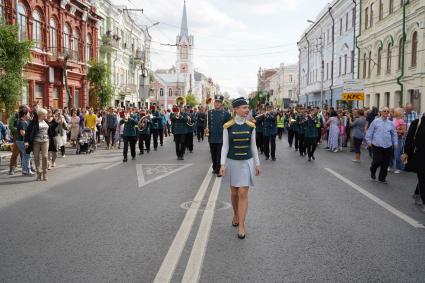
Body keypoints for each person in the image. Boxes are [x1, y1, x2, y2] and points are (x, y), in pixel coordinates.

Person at [219, 97, 261, 239]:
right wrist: (222, 164)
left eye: (247, 107)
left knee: (243, 192)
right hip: (232, 162)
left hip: (246, 162)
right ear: (235, 109)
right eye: (244, 107)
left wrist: (257, 163)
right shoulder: (228, 126)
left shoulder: (251, 125)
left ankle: (242, 225)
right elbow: (225, 147)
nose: (247, 110)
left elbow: (253, 146)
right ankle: (235, 214)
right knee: (234, 192)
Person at [365, 107, 398, 184]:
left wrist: (395, 142)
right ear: (381, 112)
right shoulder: (375, 122)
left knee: (386, 163)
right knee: (377, 161)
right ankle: (372, 170)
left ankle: (382, 178)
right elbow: (370, 132)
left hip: (388, 146)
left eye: (387, 111)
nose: (386, 112)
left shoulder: (390, 123)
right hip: (377, 145)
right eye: (384, 111)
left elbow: (394, 134)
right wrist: (368, 141)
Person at [402, 113, 425, 210]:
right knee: (423, 177)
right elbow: (409, 138)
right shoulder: (417, 122)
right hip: (420, 156)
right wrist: (406, 152)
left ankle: (416, 193)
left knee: (423, 178)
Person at [206, 95, 231, 176]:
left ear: (221, 104)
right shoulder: (209, 113)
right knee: (213, 154)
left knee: (219, 154)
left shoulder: (226, 114)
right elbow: (206, 124)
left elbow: (230, 125)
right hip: (212, 136)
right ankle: (215, 168)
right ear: (214, 103)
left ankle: (219, 170)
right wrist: (205, 129)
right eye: (216, 102)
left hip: (221, 137)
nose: (217, 103)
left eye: (219, 102)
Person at [26, 108, 49, 181]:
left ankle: (44, 173)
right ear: (40, 115)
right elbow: (28, 131)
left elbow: (51, 129)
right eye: (45, 114)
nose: (46, 115)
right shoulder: (34, 122)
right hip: (36, 141)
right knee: (36, 157)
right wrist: (26, 141)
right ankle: (39, 173)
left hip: (45, 141)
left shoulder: (46, 121)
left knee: (45, 156)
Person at [15, 107, 33, 176]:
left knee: (26, 155)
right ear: (24, 114)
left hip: (22, 140)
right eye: (28, 113)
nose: (29, 115)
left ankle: (25, 170)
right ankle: (27, 170)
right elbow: (23, 133)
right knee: (27, 155)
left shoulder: (24, 121)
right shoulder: (22, 122)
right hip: (22, 141)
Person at [392, 108, 406, 173]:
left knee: (398, 154)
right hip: (393, 138)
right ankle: (391, 165)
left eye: (394, 112)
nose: (393, 113)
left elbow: (403, 131)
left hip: (399, 139)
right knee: (392, 153)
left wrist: (395, 130)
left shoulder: (401, 120)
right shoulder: (394, 119)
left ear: (398, 113)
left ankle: (399, 168)